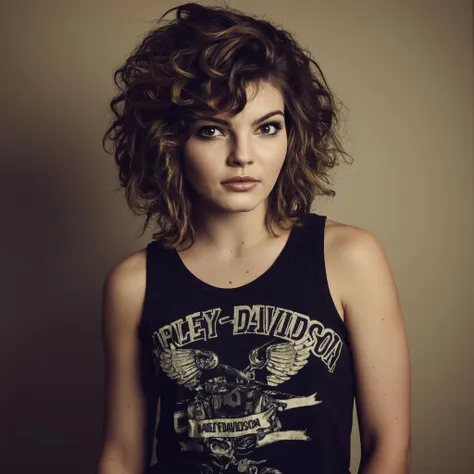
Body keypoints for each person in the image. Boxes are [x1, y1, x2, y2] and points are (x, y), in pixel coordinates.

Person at [97, 2, 411, 474]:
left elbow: (388, 445)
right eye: (212, 131)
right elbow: (122, 454)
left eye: (266, 128)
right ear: (171, 143)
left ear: (292, 134)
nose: (242, 155)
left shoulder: (350, 259)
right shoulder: (134, 283)